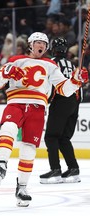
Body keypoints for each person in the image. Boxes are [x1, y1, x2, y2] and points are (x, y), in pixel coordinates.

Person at [0, 32, 88, 207]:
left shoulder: (50, 65)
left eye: (44, 43)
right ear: (30, 44)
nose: (41, 45)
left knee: (29, 148)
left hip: (37, 108)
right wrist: (6, 72)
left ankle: (22, 188)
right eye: (38, 42)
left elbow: (64, 89)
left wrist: (76, 81)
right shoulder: (16, 59)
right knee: (9, 127)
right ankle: (2, 163)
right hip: (16, 102)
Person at [40, 38, 83, 184]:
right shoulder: (72, 64)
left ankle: (55, 170)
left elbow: (49, 85)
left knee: (51, 137)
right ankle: (73, 168)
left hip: (60, 100)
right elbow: (78, 85)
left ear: (52, 48)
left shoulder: (51, 63)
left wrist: (46, 101)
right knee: (64, 138)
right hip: (74, 102)